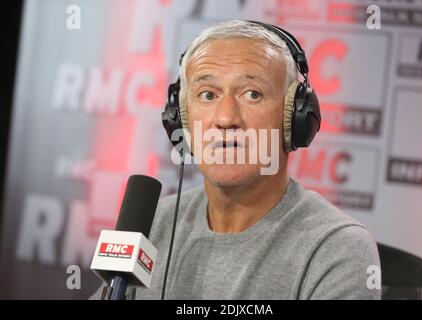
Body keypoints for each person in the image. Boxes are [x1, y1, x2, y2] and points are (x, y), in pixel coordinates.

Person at [91, 20, 381, 300]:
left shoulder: (336, 247)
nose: (227, 118)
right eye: (208, 95)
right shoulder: (151, 224)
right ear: (181, 118)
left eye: (252, 94)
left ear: (294, 118)